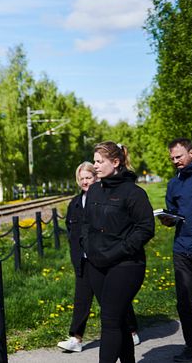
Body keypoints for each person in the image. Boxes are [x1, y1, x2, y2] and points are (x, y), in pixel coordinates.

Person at [79, 141, 154, 363]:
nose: (95, 166)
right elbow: (85, 224)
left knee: (110, 320)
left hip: (126, 265)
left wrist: (121, 249)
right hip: (97, 265)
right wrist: (88, 246)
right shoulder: (93, 191)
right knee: (119, 319)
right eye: (94, 161)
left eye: (100, 162)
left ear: (116, 162)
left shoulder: (133, 193)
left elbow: (146, 228)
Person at [58, 162, 140, 353]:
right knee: (81, 299)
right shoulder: (75, 203)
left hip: (103, 257)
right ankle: (76, 338)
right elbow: (72, 230)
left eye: (89, 177)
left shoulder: (104, 198)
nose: (85, 182)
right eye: (82, 179)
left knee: (111, 299)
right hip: (83, 259)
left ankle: (131, 330)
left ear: (96, 178)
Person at [162, 138, 192, 362]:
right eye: (173, 158)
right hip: (181, 248)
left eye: (179, 156)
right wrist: (167, 219)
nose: (176, 161)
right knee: (184, 301)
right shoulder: (173, 183)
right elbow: (173, 212)